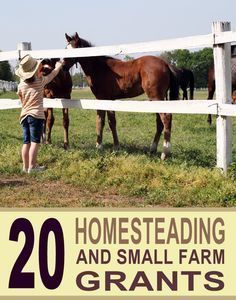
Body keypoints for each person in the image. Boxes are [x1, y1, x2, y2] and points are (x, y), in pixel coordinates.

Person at [15, 54, 63, 173]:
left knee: (26, 142)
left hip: (24, 115)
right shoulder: (40, 81)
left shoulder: (21, 85)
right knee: (35, 142)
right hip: (36, 116)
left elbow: (21, 99)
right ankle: (33, 167)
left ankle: (25, 167)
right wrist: (58, 66)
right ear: (35, 71)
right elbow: (52, 75)